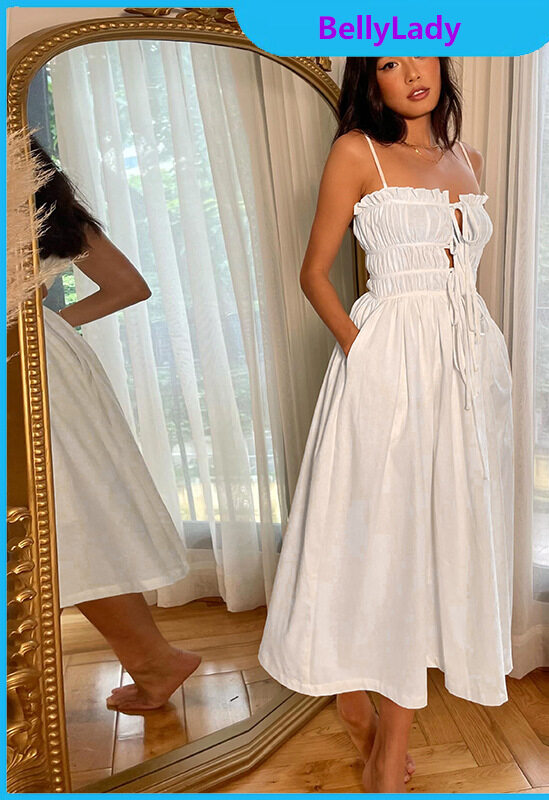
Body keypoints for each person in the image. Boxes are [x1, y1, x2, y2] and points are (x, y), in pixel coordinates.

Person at [257, 58, 514, 791]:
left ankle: (376, 721)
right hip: (387, 361)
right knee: (377, 538)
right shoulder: (356, 153)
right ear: (370, 84)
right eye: (388, 65)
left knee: (439, 541)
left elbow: (461, 274)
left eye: (417, 55)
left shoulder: (470, 159)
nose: (410, 74)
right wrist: (361, 349)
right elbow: (314, 272)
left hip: (466, 367)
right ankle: (367, 726)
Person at [30, 136, 201, 713]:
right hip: (42, 360)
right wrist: (50, 328)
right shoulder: (53, 209)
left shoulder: (32, 208)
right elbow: (130, 286)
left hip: (27, 367)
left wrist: (38, 328)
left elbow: (130, 290)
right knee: (71, 517)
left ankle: (154, 661)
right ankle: (153, 660)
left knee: (68, 520)